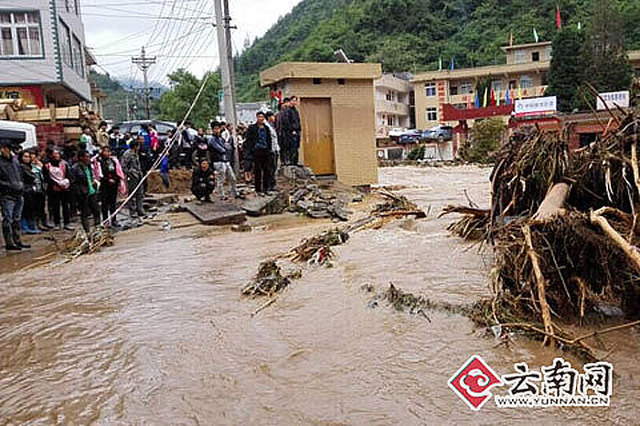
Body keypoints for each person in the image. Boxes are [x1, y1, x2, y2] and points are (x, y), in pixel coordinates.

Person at [0, 140, 29, 250]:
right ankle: (9, 243)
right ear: (3, 149)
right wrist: (10, 185)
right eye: (8, 148)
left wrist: (21, 184)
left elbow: (20, 175)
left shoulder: (15, 162)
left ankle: (17, 240)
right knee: (8, 219)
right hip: (7, 195)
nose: (10, 151)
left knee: (17, 219)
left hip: (18, 193)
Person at [94, 146, 125, 227]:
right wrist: (107, 180)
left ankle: (114, 219)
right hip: (104, 185)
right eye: (105, 151)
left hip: (113, 185)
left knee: (113, 203)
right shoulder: (99, 162)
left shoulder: (114, 161)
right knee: (104, 203)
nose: (107, 153)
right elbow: (99, 174)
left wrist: (115, 179)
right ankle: (105, 220)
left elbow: (118, 172)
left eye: (108, 151)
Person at [71, 150, 101, 233]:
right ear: (81, 158)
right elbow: (73, 183)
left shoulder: (88, 167)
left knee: (96, 210)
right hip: (83, 194)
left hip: (92, 192)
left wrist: (93, 183)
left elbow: (90, 176)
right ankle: (87, 231)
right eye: (86, 157)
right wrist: (79, 192)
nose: (88, 158)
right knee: (85, 213)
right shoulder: (75, 168)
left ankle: (98, 228)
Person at [43, 149, 73, 231]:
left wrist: (66, 183)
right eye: (54, 154)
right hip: (53, 189)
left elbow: (68, 175)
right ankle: (57, 223)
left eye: (57, 154)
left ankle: (67, 222)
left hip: (64, 188)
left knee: (65, 206)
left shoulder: (64, 164)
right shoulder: (47, 165)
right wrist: (55, 184)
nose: (56, 156)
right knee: (55, 206)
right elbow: (46, 178)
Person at [244, 111, 273, 195]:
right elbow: (248, 140)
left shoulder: (266, 128)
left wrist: (269, 149)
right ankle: (258, 189)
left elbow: (269, 139)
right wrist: (251, 150)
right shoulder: (252, 128)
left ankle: (266, 188)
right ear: (257, 117)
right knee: (258, 170)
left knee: (266, 170)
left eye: (262, 117)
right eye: (259, 117)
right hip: (256, 151)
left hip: (265, 151)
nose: (261, 118)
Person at [208, 121, 237, 199]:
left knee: (232, 178)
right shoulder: (212, 139)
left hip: (225, 160)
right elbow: (222, 149)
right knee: (221, 179)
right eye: (215, 129)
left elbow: (228, 147)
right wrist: (225, 148)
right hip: (218, 161)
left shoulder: (221, 138)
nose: (217, 130)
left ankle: (234, 193)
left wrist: (226, 148)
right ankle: (221, 195)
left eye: (218, 128)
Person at [121, 138, 145, 218]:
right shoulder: (127, 154)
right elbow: (123, 166)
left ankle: (140, 210)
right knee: (132, 194)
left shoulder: (136, 153)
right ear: (135, 146)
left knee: (140, 194)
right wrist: (129, 174)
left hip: (139, 175)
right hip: (132, 176)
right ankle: (132, 211)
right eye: (138, 146)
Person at [18, 150, 42, 234]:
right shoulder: (21, 167)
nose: (27, 158)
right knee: (25, 210)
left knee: (31, 209)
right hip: (25, 191)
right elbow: (31, 176)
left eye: (28, 156)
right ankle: (25, 227)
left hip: (31, 191)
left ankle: (31, 226)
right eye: (25, 156)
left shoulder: (29, 166)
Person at [30, 150, 50, 231]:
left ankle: (44, 222)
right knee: (35, 208)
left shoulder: (41, 165)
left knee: (42, 207)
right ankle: (37, 224)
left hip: (41, 188)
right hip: (34, 189)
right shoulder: (29, 166)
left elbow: (45, 175)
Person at [281, 95, 302, 165]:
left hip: (296, 131)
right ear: (290, 101)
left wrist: (299, 129)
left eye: (295, 101)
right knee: (289, 146)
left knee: (296, 147)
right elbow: (286, 122)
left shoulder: (295, 111)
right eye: (293, 100)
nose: (294, 102)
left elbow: (298, 121)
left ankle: (295, 161)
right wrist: (292, 130)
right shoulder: (287, 111)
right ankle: (289, 160)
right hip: (289, 132)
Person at [265, 111, 280, 191]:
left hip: (275, 149)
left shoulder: (272, 126)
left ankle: (272, 184)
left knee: (274, 168)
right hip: (271, 150)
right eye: (272, 116)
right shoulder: (266, 126)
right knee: (271, 168)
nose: (274, 118)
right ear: (269, 117)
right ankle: (270, 185)